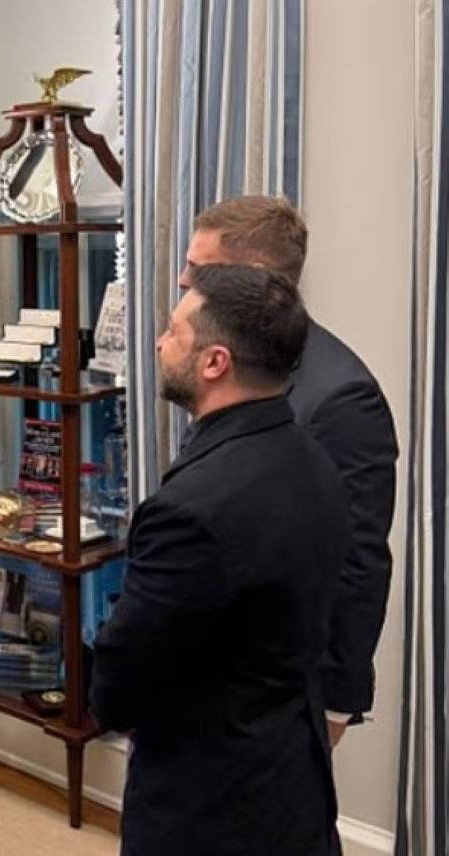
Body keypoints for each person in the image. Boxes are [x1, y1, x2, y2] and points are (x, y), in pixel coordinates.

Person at [91, 264, 348, 855]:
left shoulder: (190, 510)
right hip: (294, 781)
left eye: (174, 331)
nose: (160, 343)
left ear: (214, 362)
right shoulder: (313, 459)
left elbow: (120, 688)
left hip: (211, 804)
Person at [181, 195, 398, 746]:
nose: (183, 281)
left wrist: (335, 705)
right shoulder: (215, 360)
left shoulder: (342, 397)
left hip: (280, 695)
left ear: (255, 276)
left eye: (200, 268)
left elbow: (358, 563)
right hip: (204, 669)